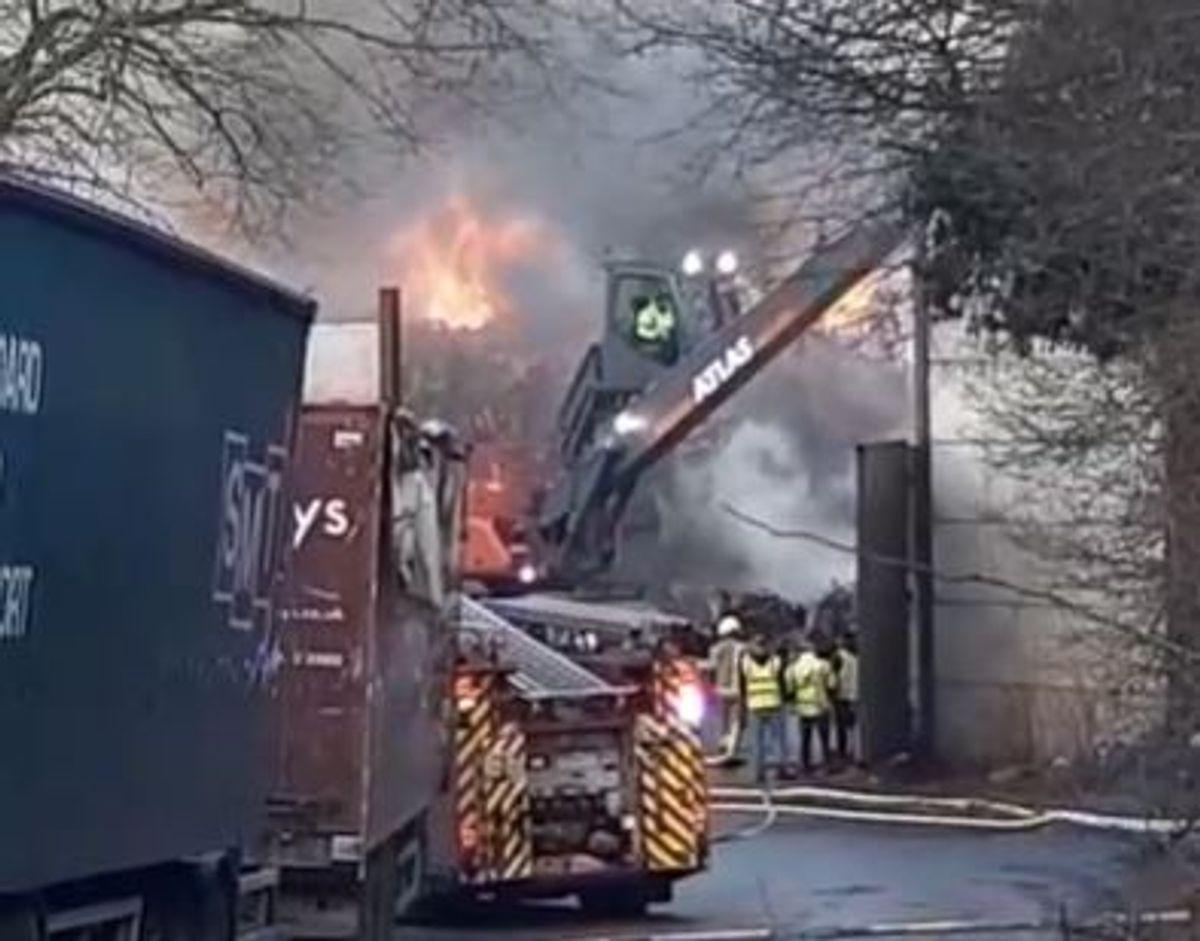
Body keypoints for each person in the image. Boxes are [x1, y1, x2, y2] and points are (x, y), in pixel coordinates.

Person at [739, 633, 785, 786]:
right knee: (776, 739)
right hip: (773, 703)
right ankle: (779, 769)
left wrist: (743, 707)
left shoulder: (745, 663)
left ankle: (757, 773)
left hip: (754, 705)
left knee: (756, 741)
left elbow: (743, 687)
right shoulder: (775, 661)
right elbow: (782, 683)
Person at [789, 636, 833, 773]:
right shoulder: (823, 665)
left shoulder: (793, 668)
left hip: (803, 707)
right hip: (820, 705)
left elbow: (790, 688)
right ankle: (826, 764)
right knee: (824, 738)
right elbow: (832, 684)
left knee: (805, 739)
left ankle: (805, 764)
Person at [708, 609, 746, 762]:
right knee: (736, 721)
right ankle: (731, 750)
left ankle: (723, 743)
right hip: (738, 689)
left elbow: (711, 668)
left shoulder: (715, 649)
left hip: (720, 688)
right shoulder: (742, 648)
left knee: (723, 719)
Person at [831, 633, 860, 763]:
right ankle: (848, 751)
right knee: (846, 725)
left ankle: (848, 751)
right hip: (847, 695)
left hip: (847, 695)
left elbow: (833, 677)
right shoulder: (844, 656)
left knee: (847, 725)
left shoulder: (843, 656)